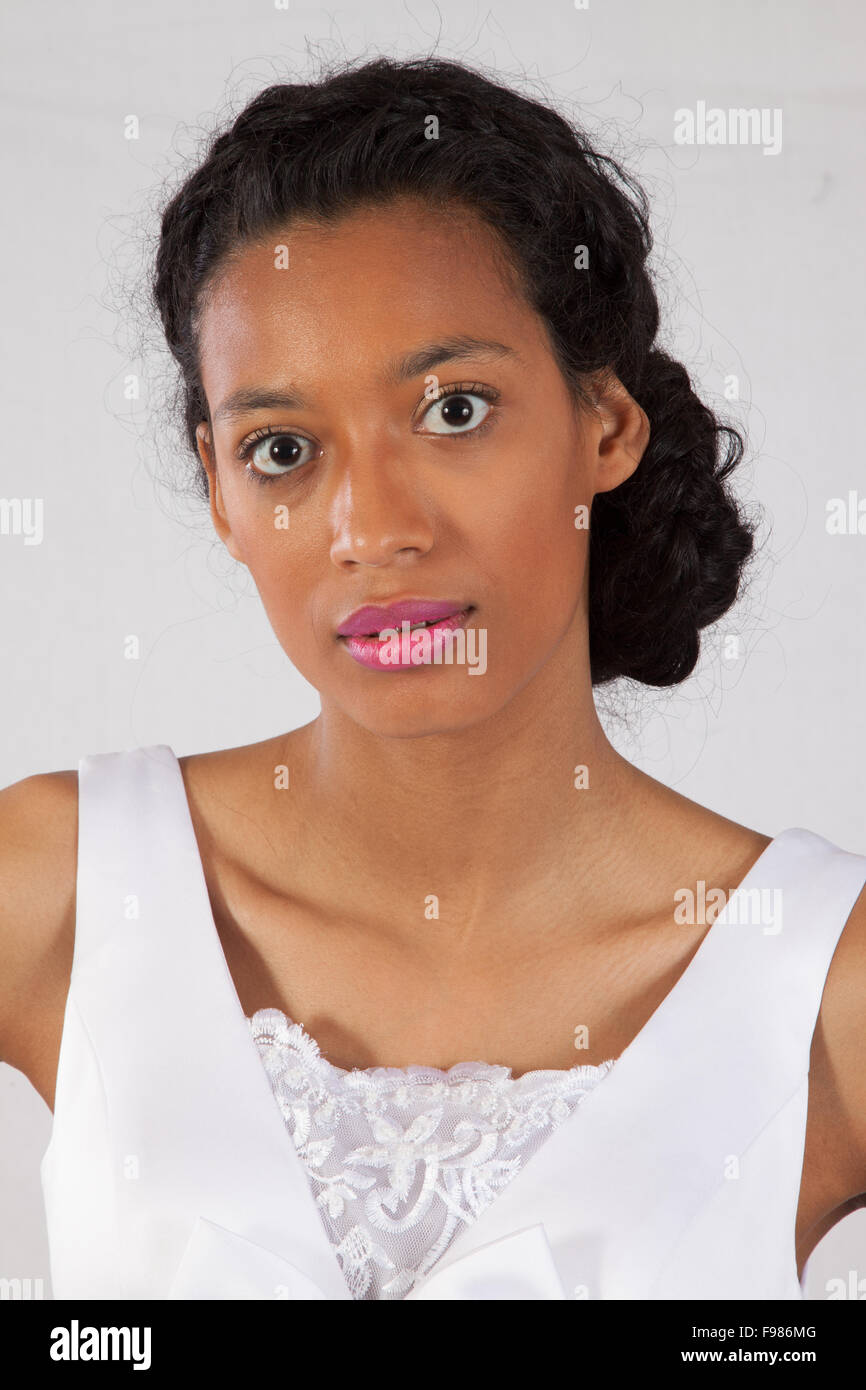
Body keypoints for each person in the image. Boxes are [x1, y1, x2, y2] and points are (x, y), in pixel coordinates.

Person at [2, 54, 864, 1302]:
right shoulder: (60, 885)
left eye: (453, 409)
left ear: (604, 425)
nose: (372, 526)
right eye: (283, 448)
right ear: (219, 493)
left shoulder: (821, 980)